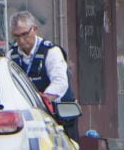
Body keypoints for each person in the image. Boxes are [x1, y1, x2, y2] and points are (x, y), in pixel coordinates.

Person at [9, 11, 79, 142]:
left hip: (58, 118)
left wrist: (41, 101)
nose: (21, 40)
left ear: (34, 29)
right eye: (16, 36)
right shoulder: (10, 56)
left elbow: (60, 82)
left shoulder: (51, 52)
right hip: (27, 120)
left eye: (25, 34)